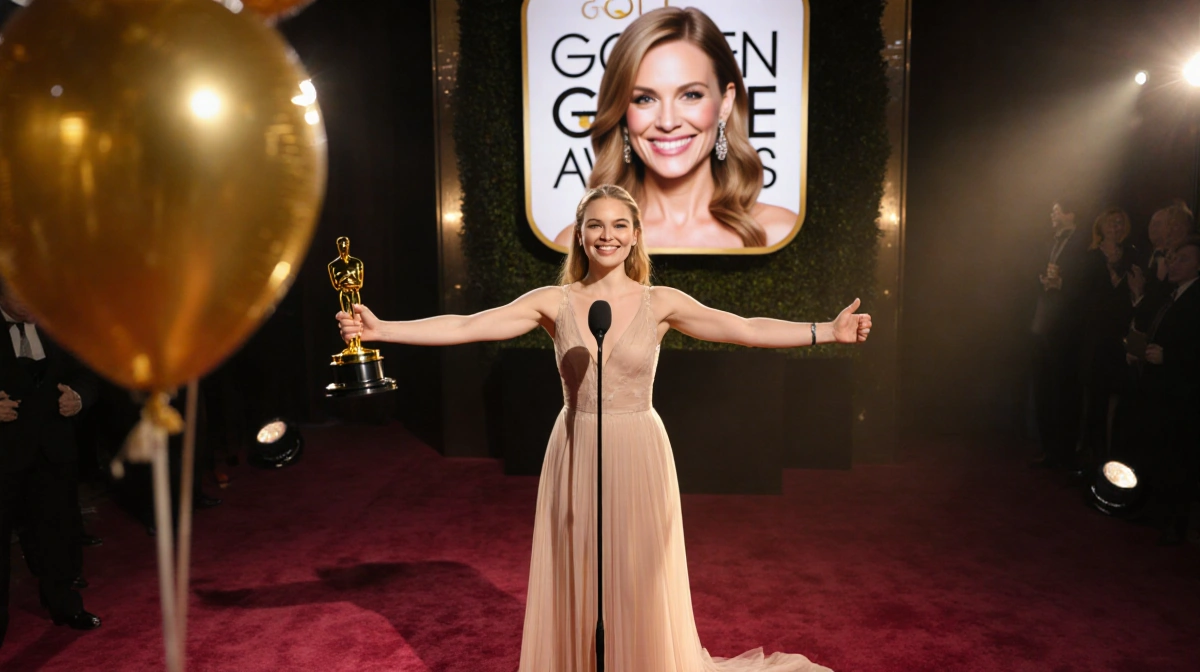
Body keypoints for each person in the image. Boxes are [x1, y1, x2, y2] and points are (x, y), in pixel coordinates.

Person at [340, 185, 868, 670]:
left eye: (619, 225)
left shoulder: (661, 303)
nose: (607, 235)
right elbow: (469, 325)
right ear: (580, 234)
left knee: (639, 574)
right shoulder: (554, 301)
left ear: (635, 235)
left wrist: (827, 332)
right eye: (596, 225)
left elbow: (744, 329)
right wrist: (383, 330)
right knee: (579, 571)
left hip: (639, 448)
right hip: (574, 445)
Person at [553, 7, 796, 250]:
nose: (667, 122)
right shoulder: (575, 246)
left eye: (690, 95)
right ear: (623, 113)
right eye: (645, 99)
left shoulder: (780, 234)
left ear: (725, 103)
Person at [0, 277, 102, 646]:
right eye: (18, 292)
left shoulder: (56, 324)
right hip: (4, 456)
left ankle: (65, 604)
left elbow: (87, 373)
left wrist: (78, 396)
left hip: (53, 451)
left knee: (57, 533)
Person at [1123, 237, 1200, 545]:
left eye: (1182, 258)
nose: (1173, 262)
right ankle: (1156, 512)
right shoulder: (1175, 294)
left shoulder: (1194, 297)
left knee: (1176, 456)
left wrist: (1169, 357)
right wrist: (1139, 350)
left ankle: (1174, 523)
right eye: (1173, 257)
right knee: (1157, 449)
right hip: (1161, 386)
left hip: (1180, 391)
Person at [1029, 198, 1089, 469]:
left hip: (1068, 329)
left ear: (1070, 213)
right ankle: (1049, 450)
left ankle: (1065, 453)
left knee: (1064, 390)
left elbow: (1089, 283)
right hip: (1044, 324)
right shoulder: (1050, 242)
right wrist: (1045, 280)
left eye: (1055, 210)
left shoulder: (1085, 243)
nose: (1051, 214)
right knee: (1044, 389)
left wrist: (1063, 283)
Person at [1078, 207, 1137, 468]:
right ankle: (1092, 455)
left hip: (1120, 334)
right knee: (1094, 397)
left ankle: (1112, 458)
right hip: (1095, 334)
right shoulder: (1090, 257)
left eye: (1120, 223)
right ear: (1100, 226)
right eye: (1111, 223)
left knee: (1117, 396)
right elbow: (1081, 297)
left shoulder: (1133, 254)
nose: (1115, 227)